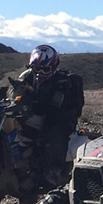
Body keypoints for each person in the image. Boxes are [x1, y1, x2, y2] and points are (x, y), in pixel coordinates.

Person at [16, 44, 85, 195]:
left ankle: (54, 173)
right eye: (37, 68)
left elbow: (54, 108)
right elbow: (10, 89)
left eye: (45, 69)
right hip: (35, 115)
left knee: (49, 135)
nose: (40, 73)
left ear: (54, 66)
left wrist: (31, 106)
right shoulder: (28, 77)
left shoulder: (64, 83)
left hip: (61, 118)